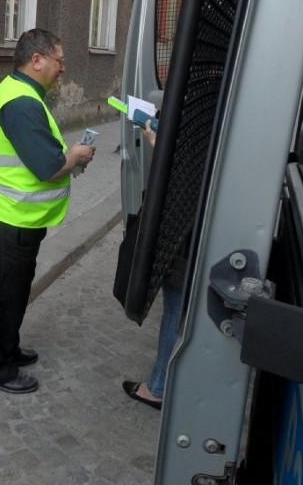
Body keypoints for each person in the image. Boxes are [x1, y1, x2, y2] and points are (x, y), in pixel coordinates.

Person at [0, 28, 96, 394]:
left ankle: (7, 349)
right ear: (37, 60)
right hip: (7, 218)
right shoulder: (23, 103)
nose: (63, 68)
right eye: (59, 60)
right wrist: (74, 156)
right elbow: (47, 166)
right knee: (2, 298)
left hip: (12, 216)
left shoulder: (18, 92)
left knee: (12, 292)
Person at [122, 119, 185, 410]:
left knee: (176, 307)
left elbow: (184, 170)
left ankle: (158, 386)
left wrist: (157, 144)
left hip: (186, 231)